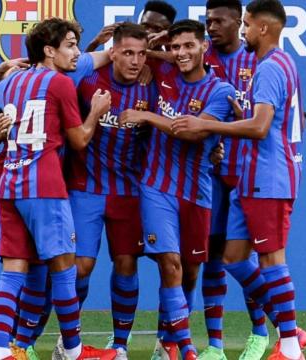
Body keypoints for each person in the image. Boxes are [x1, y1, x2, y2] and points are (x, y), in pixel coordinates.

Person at [0, 17, 116, 360]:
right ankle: (74, 350)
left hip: (8, 187)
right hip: (44, 187)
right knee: (63, 268)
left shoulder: (11, 83)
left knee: (13, 271)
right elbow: (78, 140)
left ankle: (2, 351)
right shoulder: (59, 83)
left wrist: (0, 70)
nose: (77, 52)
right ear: (49, 51)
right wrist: (95, 112)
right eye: (70, 45)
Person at [171, 1, 306, 359]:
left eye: (246, 24)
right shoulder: (281, 63)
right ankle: (287, 327)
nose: (244, 30)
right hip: (249, 177)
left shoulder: (269, 69)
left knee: (272, 259)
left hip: (268, 176)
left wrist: (206, 124)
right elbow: (290, 121)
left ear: (262, 28)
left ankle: (290, 344)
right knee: (232, 258)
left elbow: (262, 127)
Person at [118, 19, 236, 360]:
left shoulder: (220, 91)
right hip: (156, 186)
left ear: (204, 47)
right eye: (175, 47)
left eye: (188, 46)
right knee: (170, 263)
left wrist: (149, 117)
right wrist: (156, 45)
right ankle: (186, 349)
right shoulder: (163, 71)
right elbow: (128, 54)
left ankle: (166, 340)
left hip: (197, 192)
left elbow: (193, 133)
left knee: (190, 271)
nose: (180, 53)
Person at [66, 22, 155, 360]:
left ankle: (120, 345)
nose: (135, 61)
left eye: (141, 54)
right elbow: (68, 69)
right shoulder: (88, 81)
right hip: (84, 187)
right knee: (81, 267)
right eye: (128, 53)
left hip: (128, 191)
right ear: (112, 52)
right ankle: (69, 340)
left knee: (126, 263)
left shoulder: (150, 90)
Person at [198, 1, 270, 359]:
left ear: (237, 22)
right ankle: (215, 345)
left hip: (245, 174)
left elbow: (269, 121)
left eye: (218, 21)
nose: (211, 27)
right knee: (211, 258)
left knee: (243, 258)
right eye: (207, 21)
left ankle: (259, 334)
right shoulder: (198, 59)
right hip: (209, 176)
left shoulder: (259, 62)